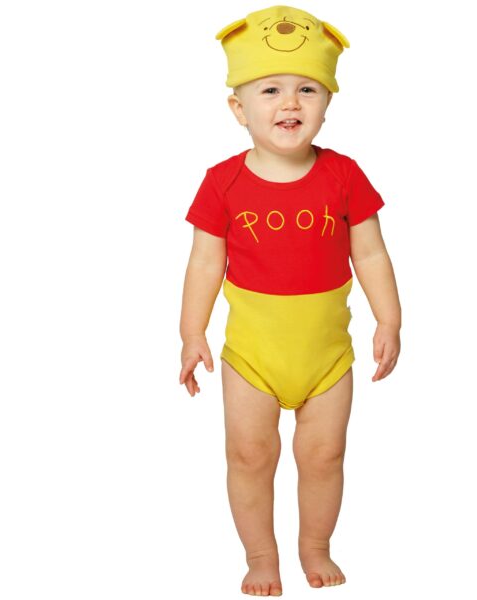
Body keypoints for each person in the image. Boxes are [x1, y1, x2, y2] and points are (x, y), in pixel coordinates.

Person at [179, 5, 402, 596]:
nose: (290, 103)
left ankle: (315, 546)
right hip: (251, 358)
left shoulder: (345, 175)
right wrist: (192, 333)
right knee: (249, 455)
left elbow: (371, 255)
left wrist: (389, 319)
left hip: (326, 359)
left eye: (307, 88)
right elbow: (204, 263)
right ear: (239, 108)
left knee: (324, 456)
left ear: (327, 102)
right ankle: (260, 555)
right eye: (270, 89)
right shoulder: (222, 182)